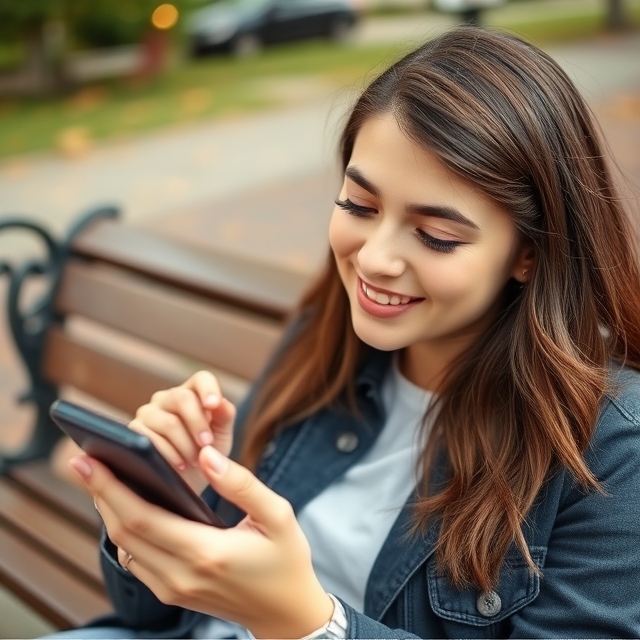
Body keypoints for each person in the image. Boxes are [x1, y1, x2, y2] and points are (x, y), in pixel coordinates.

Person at [56, 26, 640, 638]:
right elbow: (148, 617)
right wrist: (181, 500)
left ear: (531, 254)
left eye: (437, 236)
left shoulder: (609, 456)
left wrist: (307, 624)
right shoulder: (326, 340)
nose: (375, 259)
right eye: (359, 206)